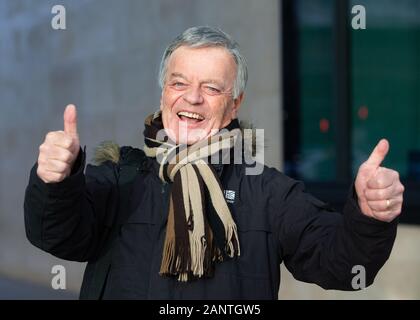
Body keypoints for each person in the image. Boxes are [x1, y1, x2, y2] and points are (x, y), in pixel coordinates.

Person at [24, 26, 404, 299]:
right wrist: (56, 181)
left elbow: (342, 265)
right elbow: (56, 235)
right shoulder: (119, 178)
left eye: (211, 88)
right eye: (179, 83)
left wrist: (369, 216)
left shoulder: (268, 193)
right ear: (162, 95)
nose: (192, 98)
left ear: (233, 104)